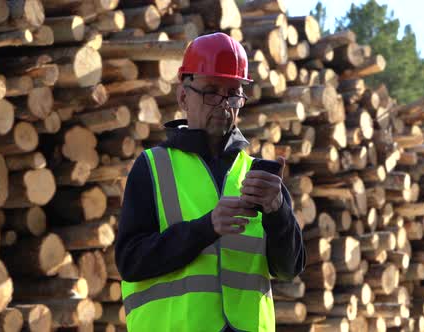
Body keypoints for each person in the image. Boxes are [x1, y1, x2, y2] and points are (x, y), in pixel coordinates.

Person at [115, 32, 306, 332]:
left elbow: (288, 269)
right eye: (211, 91)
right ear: (183, 97)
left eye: (233, 92)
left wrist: (279, 212)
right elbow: (130, 262)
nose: (223, 103)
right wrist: (206, 228)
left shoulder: (258, 175)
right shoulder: (152, 167)